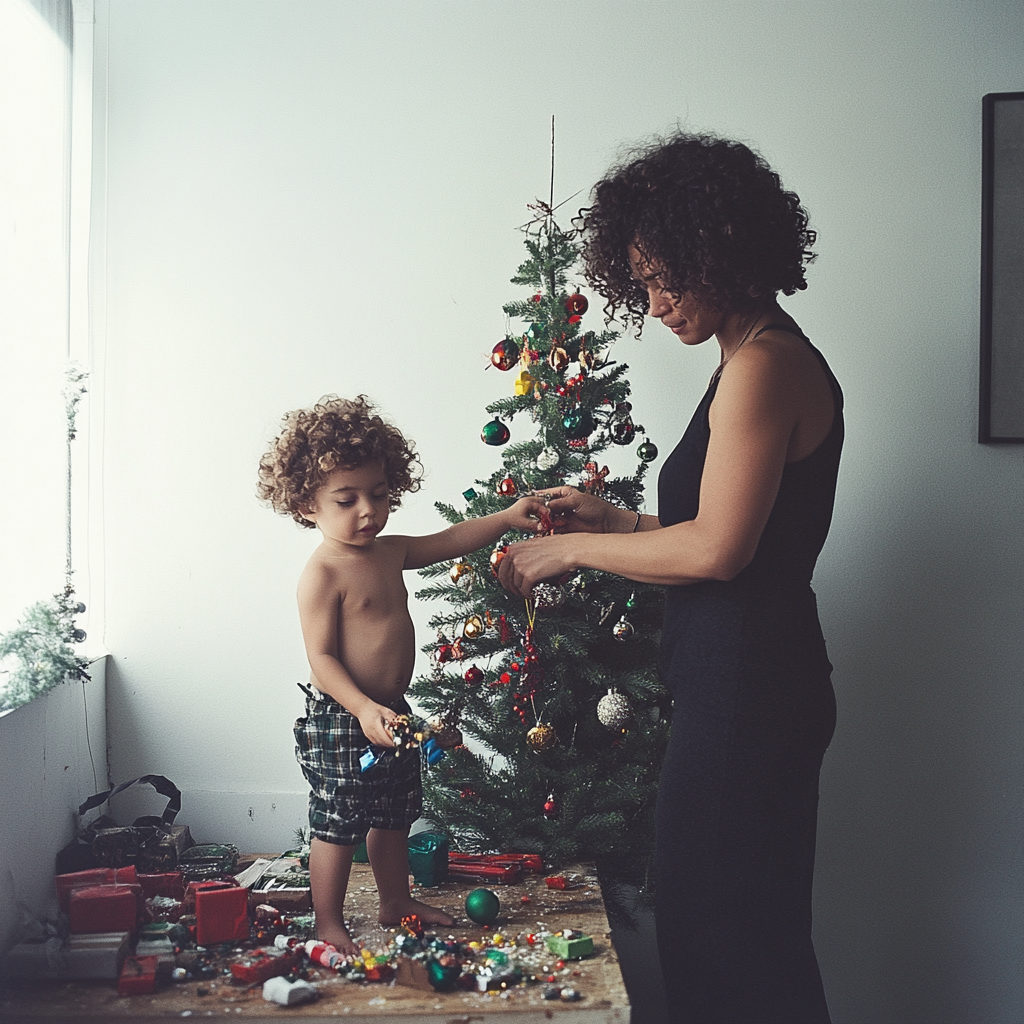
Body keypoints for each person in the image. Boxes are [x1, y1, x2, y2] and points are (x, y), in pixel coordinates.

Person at [498, 133, 840, 1023]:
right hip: (743, 686)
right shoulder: (750, 354)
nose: (653, 305)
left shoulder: (763, 365)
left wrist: (570, 551)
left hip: (751, 692)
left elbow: (718, 552)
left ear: (720, 254)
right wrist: (617, 523)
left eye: (666, 279)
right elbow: (725, 534)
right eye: (641, 282)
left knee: (726, 949)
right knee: (740, 940)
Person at [258, 395, 537, 954]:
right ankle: (328, 919)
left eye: (379, 494)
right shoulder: (322, 574)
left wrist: (507, 518)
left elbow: (448, 541)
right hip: (344, 714)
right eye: (346, 500)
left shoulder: (388, 552)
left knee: (393, 815)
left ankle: (394, 900)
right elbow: (322, 660)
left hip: (394, 714)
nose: (368, 511)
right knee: (338, 822)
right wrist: (362, 708)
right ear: (306, 505)